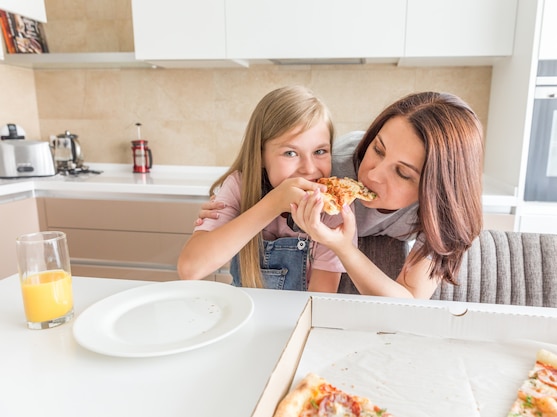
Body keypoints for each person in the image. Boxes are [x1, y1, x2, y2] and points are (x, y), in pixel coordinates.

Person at [198, 91, 484, 299]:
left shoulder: (443, 216)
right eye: (378, 149)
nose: (371, 175)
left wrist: (345, 248)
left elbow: (408, 302)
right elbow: (275, 169)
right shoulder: (332, 168)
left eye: (403, 173)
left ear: (436, 191)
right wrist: (233, 207)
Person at [177, 85, 353, 293]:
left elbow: (319, 299)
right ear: (260, 154)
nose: (309, 168)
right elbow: (190, 269)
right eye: (290, 153)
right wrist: (273, 203)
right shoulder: (239, 187)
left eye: (320, 151)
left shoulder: (332, 211)